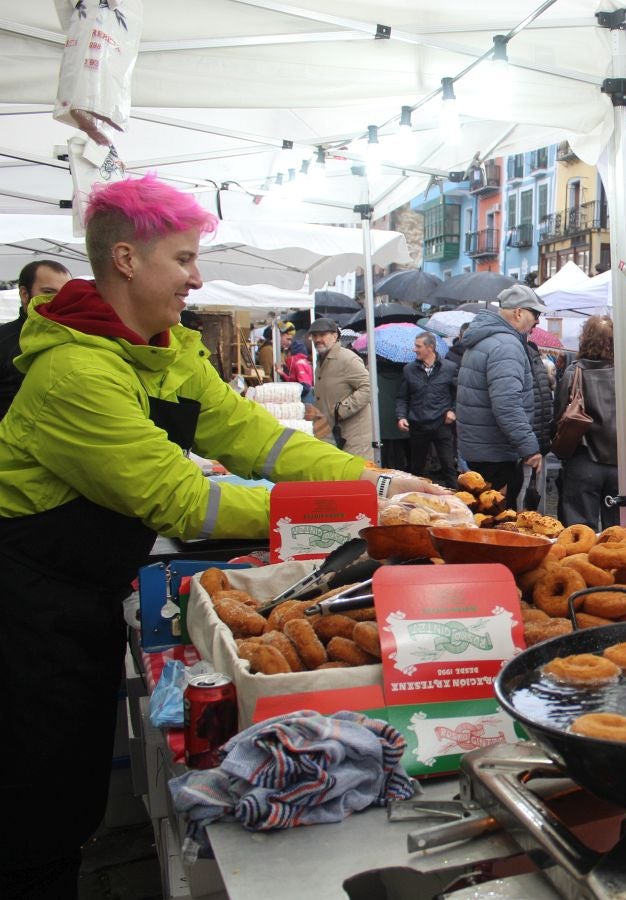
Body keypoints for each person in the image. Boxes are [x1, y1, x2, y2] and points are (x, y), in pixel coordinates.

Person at [0, 175, 441, 897]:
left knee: (67, 789)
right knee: (33, 802)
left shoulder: (164, 350)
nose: (196, 278)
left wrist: (379, 482)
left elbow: (259, 441)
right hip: (25, 606)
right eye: (182, 259)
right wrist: (356, 509)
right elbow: (181, 502)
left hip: (84, 591)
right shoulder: (73, 373)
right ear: (126, 260)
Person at [555, 315, 626, 530]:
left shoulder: (573, 373)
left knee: (579, 533)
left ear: (585, 339)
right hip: (623, 464)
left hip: (582, 459)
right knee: (619, 534)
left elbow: (558, 418)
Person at [456, 285, 547, 503]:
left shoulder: (486, 339)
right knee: (498, 517)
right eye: (536, 314)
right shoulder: (506, 345)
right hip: (495, 453)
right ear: (519, 312)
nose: (537, 321)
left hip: (481, 448)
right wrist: (530, 448)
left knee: (481, 514)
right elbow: (507, 405)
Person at [0, 259, 72, 419]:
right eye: (48, 292)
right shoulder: (3, 339)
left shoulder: (77, 338)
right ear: (24, 294)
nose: (59, 300)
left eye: (65, 293)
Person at [397, 331, 459, 485]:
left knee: (448, 466)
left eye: (418, 346)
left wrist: (453, 410)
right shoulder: (409, 369)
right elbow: (402, 397)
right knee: (416, 468)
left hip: (441, 423)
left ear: (430, 347)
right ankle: (416, 496)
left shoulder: (450, 368)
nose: (414, 349)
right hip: (418, 424)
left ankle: (456, 497)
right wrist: (401, 416)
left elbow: (459, 394)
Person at [310, 317, 374, 461]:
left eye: (322, 335)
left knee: (354, 472)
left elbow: (369, 387)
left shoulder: (347, 359)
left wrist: (342, 409)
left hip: (353, 435)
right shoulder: (321, 360)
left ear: (335, 336)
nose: (318, 339)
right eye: (314, 335)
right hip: (332, 432)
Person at [521, 339, 555, 510]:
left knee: (524, 493)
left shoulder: (527, 362)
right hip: (539, 441)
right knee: (535, 492)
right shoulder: (538, 363)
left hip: (527, 442)